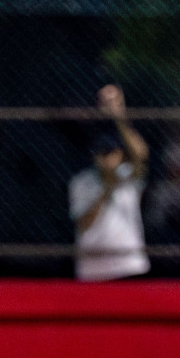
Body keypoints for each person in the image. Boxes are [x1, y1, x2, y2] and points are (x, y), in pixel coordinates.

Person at [68, 84, 151, 282]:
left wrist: (119, 116)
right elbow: (83, 223)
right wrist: (106, 188)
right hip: (93, 269)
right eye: (102, 153)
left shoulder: (128, 175)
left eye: (112, 152)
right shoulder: (82, 182)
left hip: (129, 266)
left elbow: (141, 155)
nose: (107, 158)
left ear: (120, 154)